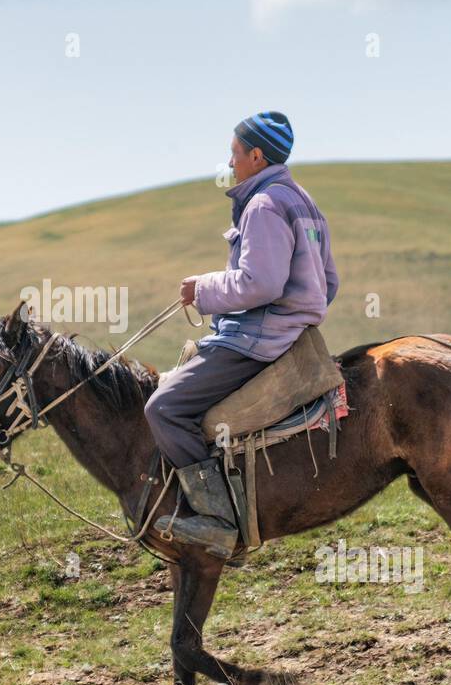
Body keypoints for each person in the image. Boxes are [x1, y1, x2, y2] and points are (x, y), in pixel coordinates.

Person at [144, 111, 339, 559]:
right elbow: (330, 283)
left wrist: (202, 289)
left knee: (164, 408)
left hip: (257, 341)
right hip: (290, 335)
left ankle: (216, 522)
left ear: (256, 154)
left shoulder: (264, 204)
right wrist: (302, 313)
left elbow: (261, 284)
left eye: (234, 153)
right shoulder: (304, 202)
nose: (230, 163)